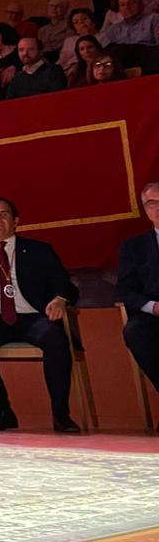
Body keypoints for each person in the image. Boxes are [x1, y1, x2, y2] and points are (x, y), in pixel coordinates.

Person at [0, 197, 81, 433]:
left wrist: (60, 300)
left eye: (3, 214)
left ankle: (61, 415)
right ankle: (2, 413)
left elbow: (66, 286)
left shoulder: (39, 251)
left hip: (33, 317)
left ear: (16, 221)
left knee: (55, 337)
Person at [116, 181, 159, 427]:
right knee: (135, 331)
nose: (157, 208)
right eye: (151, 203)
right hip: (154, 313)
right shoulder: (134, 247)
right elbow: (125, 290)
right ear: (145, 209)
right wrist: (153, 306)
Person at [2, 36, 66, 99]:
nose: (25, 53)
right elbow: (10, 103)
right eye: (21, 50)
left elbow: (58, 99)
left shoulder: (54, 71)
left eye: (31, 49)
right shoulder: (17, 78)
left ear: (41, 52)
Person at [57, 8, 98, 73]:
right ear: (75, 29)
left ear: (93, 21)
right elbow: (63, 59)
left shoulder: (103, 35)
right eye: (76, 22)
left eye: (84, 19)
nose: (81, 23)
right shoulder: (69, 40)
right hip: (68, 70)